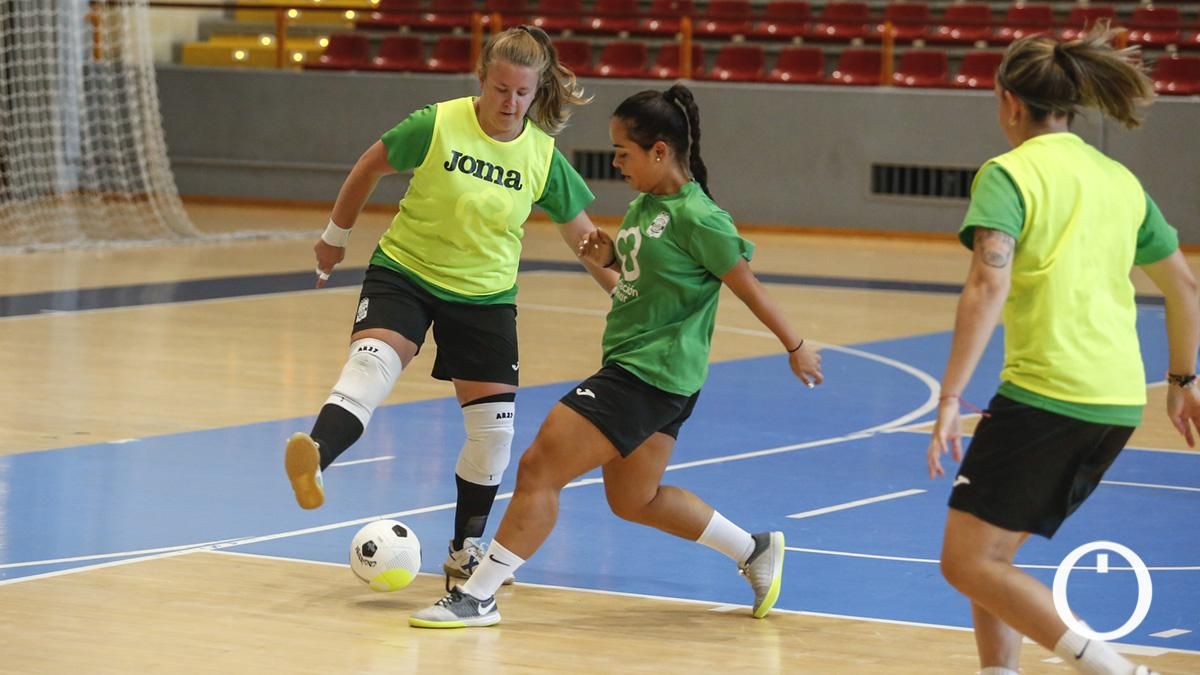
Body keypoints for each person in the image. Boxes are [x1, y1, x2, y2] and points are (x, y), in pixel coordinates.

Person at [409, 83, 824, 628]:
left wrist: (795, 346)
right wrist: (610, 258)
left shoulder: (701, 217)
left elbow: (748, 287)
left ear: (659, 151)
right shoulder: (645, 206)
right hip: (656, 376)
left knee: (539, 467)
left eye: (623, 151)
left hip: (649, 373)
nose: (615, 162)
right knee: (634, 499)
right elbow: (647, 280)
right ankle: (754, 549)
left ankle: (478, 595)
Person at [284, 25, 609, 587]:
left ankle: (464, 549)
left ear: (536, 91)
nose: (510, 103)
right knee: (370, 365)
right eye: (501, 89)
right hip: (405, 272)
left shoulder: (542, 155)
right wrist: (335, 236)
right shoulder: (436, 124)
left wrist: (625, 291)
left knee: (494, 435)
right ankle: (315, 453)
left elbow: (585, 239)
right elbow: (368, 167)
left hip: (485, 298)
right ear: (480, 79)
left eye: (522, 93)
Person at [926, 24, 1200, 675]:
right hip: (1117, 401)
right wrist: (1183, 380)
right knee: (990, 553)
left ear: (1009, 102)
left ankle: (1112, 667)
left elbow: (987, 282)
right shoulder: (1120, 180)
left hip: (1049, 394)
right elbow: (1185, 286)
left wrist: (950, 396)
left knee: (965, 561)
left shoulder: (1008, 174)